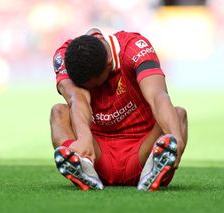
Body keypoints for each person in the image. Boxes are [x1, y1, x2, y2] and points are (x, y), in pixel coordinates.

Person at [50, 27, 188, 191]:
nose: (93, 91)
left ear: (109, 63)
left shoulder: (134, 47)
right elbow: (76, 97)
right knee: (58, 112)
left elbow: (157, 95)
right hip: (96, 152)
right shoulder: (65, 56)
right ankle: (84, 167)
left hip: (143, 148)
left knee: (178, 116)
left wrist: (176, 139)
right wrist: (84, 138)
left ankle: (153, 166)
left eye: (95, 85)